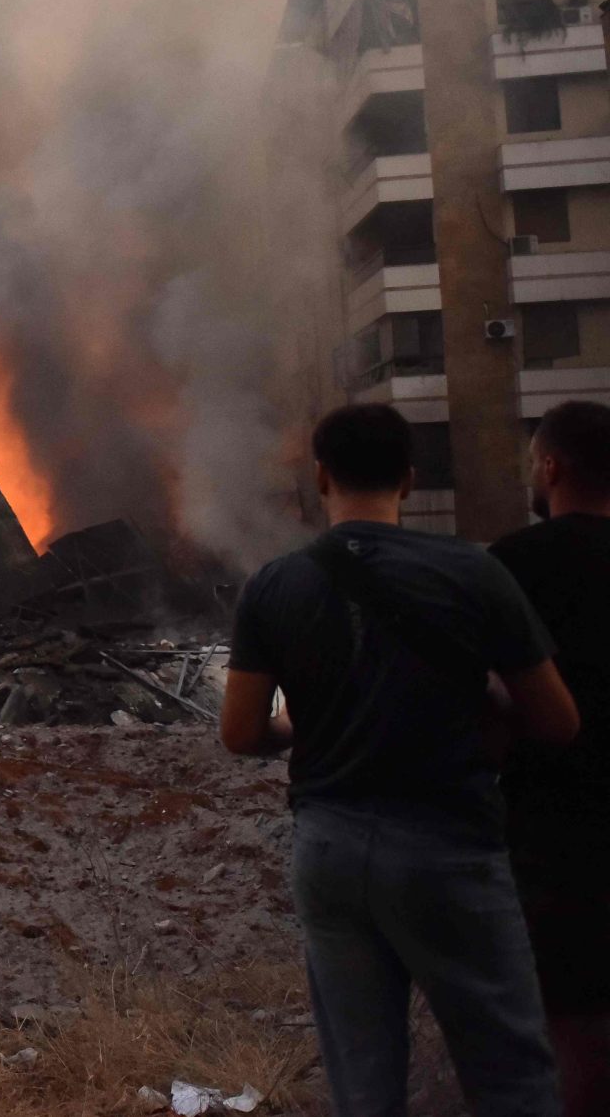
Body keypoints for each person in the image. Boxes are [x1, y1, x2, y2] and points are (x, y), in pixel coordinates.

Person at [221, 403, 579, 1117]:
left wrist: (297, 724)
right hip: (448, 844)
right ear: (410, 481)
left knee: (364, 1084)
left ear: (321, 477)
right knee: (511, 1074)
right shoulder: (473, 571)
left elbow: (241, 733)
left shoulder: (275, 585)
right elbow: (558, 721)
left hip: (331, 849)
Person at [490, 400, 610, 1116]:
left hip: (554, 826)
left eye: (534, 460)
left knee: (567, 1029)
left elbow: (487, 699)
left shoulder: (513, 565)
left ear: (553, 466)